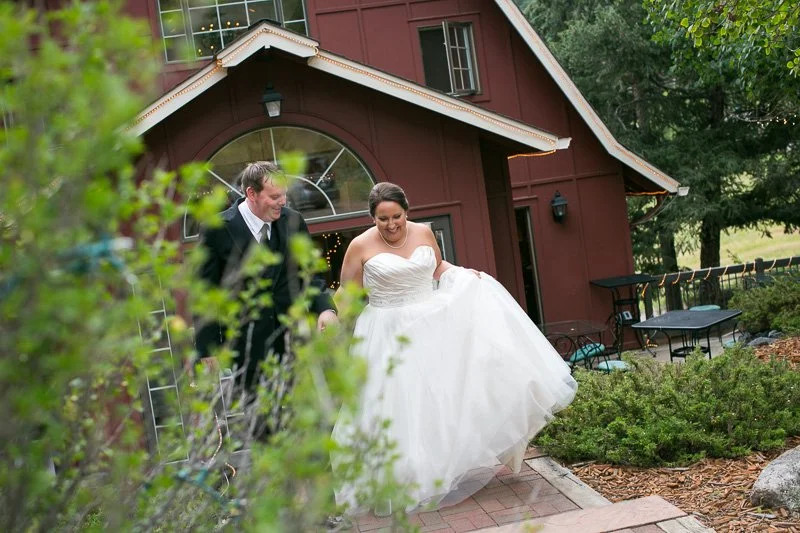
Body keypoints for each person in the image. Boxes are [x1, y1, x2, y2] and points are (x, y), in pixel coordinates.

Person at [332, 182, 577, 514]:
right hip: (385, 331)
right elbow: (346, 294)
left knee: (439, 400)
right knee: (397, 403)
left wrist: (464, 275)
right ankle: (401, 478)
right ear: (372, 218)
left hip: (429, 324)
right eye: (383, 219)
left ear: (407, 211)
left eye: (397, 217)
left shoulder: (422, 233)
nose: (391, 225)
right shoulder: (359, 246)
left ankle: (436, 471)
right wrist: (333, 321)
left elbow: (436, 267)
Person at [195, 161, 338, 390]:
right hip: (246, 349)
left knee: (300, 420)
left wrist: (325, 309)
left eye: (284, 195)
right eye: (274, 196)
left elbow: (310, 274)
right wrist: (207, 347)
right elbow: (205, 292)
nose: (282, 201)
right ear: (251, 193)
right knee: (259, 423)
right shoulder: (217, 229)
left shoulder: (293, 221)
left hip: (294, 344)